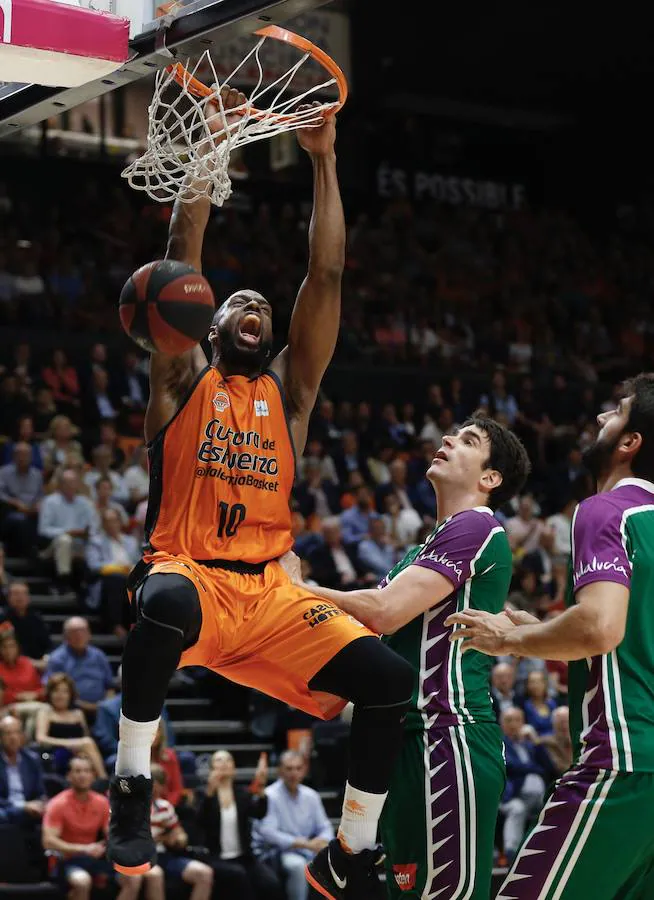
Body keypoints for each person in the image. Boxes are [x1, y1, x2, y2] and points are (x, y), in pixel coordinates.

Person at [108, 86, 414, 900]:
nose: (255, 306)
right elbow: (182, 249)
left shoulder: (293, 397)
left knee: (388, 680)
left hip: (274, 596)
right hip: (193, 577)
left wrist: (324, 160)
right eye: (236, 303)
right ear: (203, 327)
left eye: (263, 308)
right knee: (163, 602)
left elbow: (328, 270)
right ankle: (133, 783)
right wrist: (211, 147)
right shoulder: (179, 382)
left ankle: (348, 851)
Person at [283, 415, 530, 900]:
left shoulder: (476, 526)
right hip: (407, 739)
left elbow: (385, 611)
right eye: (452, 434)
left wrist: (299, 589)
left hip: (449, 736)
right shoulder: (423, 548)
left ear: (490, 478)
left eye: (467, 441)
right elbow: (364, 625)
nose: (446, 440)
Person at [447, 373, 654, 899]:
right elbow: (631, 635)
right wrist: (537, 628)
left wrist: (509, 642)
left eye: (617, 412)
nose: (601, 418)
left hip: (624, 764)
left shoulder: (606, 510)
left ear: (631, 443)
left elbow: (598, 627)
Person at [43, 756, 164, 900]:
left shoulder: (101, 802)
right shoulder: (57, 804)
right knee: (82, 881)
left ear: (93, 776)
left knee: (133, 878)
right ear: (69, 776)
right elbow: (48, 841)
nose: (82, 775)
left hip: (95, 860)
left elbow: (112, 834)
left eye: (87, 771)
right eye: (77, 771)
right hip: (67, 861)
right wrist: (83, 849)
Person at [199, 749, 282, 900]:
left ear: (234, 768)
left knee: (271, 883)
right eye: (219, 760)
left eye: (228, 760)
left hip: (243, 856)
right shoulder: (204, 795)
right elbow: (200, 821)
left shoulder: (241, 793)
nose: (224, 763)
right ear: (211, 769)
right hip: (215, 856)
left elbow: (259, 813)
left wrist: (262, 788)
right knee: (239, 877)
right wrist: (209, 793)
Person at [255, 750, 333, 900]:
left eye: (298, 768)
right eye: (289, 768)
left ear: (304, 770)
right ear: (280, 770)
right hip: (278, 852)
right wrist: (304, 844)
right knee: (298, 866)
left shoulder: (311, 796)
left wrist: (321, 841)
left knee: (333, 862)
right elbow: (267, 832)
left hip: (309, 850)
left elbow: (325, 826)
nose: (294, 773)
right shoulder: (269, 795)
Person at [150, 763, 214, 900]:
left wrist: (179, 839)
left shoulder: (165, 807)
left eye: (159, 784)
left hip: (164, 856)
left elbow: (180, 834)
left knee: (205, 873)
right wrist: (161, 838)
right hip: (141, 858)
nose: (156, 789)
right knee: (156, 875)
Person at [35, 674, 106, 779]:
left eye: (65, 691)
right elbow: (40, 739)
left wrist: (81, 750)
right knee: (87, 743)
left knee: (87, 751)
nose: (60, 695)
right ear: (50, 693)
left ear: (70, 694)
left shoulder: (78, 713)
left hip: (79, 754)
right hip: (56, 754)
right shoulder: (46, 712)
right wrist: (70, 744)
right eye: (56, 691)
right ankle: (104, 780)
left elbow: (85, 736)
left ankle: (99, 785)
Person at [37, 469, 98, 593]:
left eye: (73, 482)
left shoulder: (85, 503)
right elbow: (43, 530)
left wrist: (86, 533)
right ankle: (63, 580)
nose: (70, 485)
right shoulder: (50, 501)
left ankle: (90, 585)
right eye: (67, 482)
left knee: (96, 541)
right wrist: (68, 532)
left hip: (80, 544)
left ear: (78, 484)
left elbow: (94, 528)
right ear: (60, 484)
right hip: (54, 545)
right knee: (65, 540)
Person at [499, 706, 546, 863]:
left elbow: (547, 766)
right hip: (512, 795)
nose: (513, 724)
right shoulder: (500, 743)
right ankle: (511, 853)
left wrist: (536, 741)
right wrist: (533, 769)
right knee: (517, 809)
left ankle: (543, 853)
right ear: (501, 724)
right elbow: (511, 766)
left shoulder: (528, 744)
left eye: (517, 720)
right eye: (509, 720)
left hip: (536, 797)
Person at [42, 617, 114, 719]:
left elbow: (110, 686)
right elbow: (52, 690)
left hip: (102, 709)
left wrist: (106, 704)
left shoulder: (99, 656)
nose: (79, 635)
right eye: (74, 632)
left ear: (89, 634)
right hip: (71, 709)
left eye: (83, 631)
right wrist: (85, 706)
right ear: (66, 636)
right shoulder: (57, 659)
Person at [85, 508, 139, 638]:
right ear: (103, 524)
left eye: (114, 521)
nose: (111, 524)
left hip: (132, 578)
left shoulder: (131, 541)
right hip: (107, 582)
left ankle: (139, 625)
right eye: (107, 521)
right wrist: (118, 568)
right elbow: (94, 565)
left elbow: (140, 562)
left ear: (120, 522)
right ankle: (115, 625)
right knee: (116, 579)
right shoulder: (96, 542)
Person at [0, 714, 45, 826]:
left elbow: (40, 792)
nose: (13, 737)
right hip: (5, 809)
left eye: (17, 732)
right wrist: (22, 806)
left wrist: (40, 803)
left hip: (29, 808)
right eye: (8, 733)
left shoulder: (32, 759)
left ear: (22, 736)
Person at [0, 441, 43, 556]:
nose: (23, 458)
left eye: (26, 455)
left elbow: (41, 495)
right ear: (14, 456)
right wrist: (14, 502)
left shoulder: (37, 474)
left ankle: (36, 553)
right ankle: (20, 553)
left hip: (32, 511)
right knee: (19, 520)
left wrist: (39, 504)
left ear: (31, 457)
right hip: (11, 510)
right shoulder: (4, 472)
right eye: (20, 454)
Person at [0, 581, 51, 671]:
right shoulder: (2, 619)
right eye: (16, 594)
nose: (20, 597)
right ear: (8, 597)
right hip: (8, 665)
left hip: (37, 665)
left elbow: (47, 645)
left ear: (28, 598)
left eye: (24, 594)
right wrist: (25, 662)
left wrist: (45, 658)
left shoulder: (36, 618)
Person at [150, 720, 183, 808]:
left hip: (166, 808)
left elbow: (176, 790)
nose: (154, 735)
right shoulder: (135, 758)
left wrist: (166, 807)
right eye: (149, 730)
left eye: (157, 730)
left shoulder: (170, 756)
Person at [522, 669, 557, 736]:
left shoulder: (552, 703)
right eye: (532, 682)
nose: (536, 686)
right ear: (527, 686)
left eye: (539, 682)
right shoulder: (524, 706)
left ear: (545, 684)